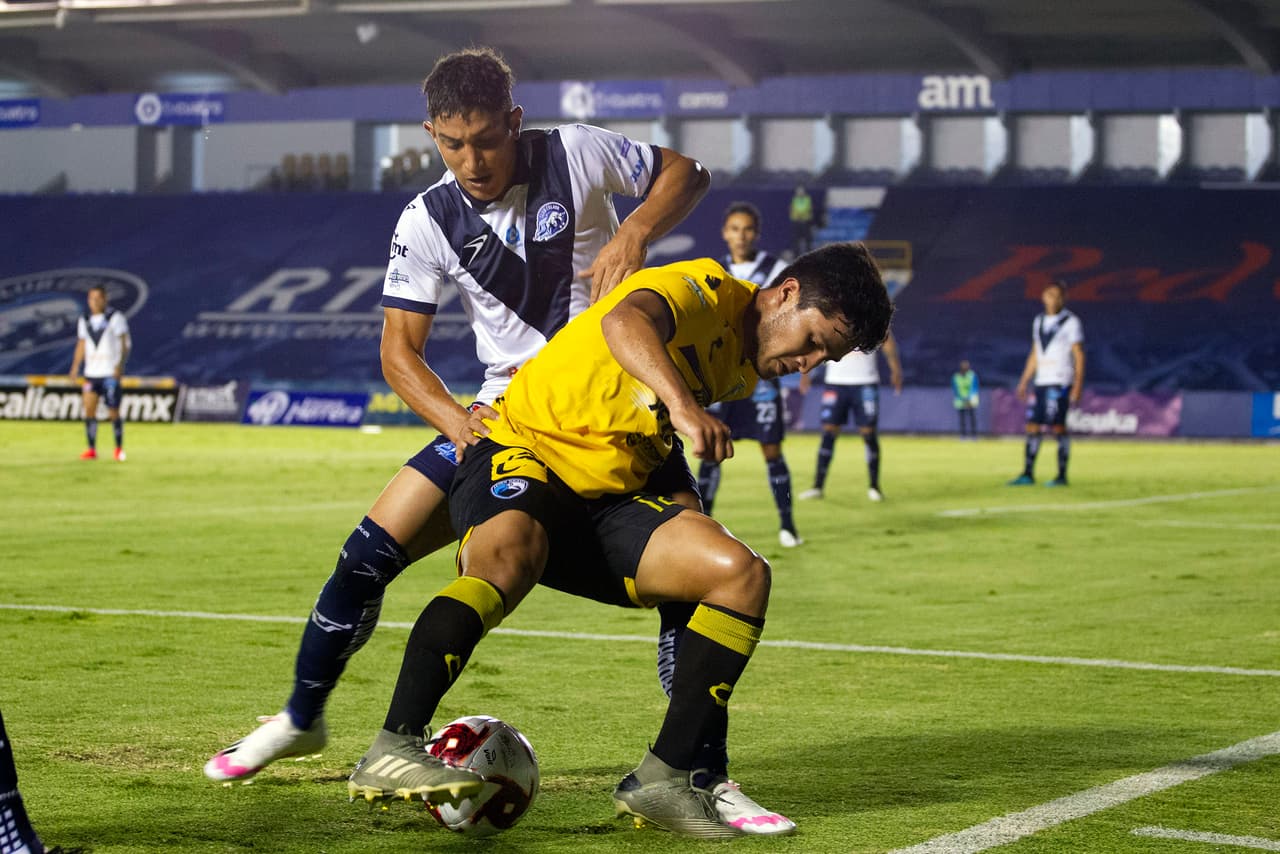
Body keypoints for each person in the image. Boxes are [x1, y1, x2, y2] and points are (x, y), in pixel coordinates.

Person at [204, 44, 793, 822]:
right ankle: (300, 718)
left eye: (485, 139)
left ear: (514, 122)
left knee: (704, 577)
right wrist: (457, 420)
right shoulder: (426, 218)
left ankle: (700, 773)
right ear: (430, 135)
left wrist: (635, 231)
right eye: (451, 144)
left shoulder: (577, 153)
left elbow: (686, 172)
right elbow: (397, 353)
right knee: (365, 558)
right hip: (508, 416)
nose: (471, 160)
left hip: (618, 409)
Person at [346, 244, 893, 837]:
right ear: (785, 293)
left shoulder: (741, 364)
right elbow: (622, 322)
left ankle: (669, 777)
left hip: (603, 498)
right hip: (522, 450)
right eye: (813, 340)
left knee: (738, 572)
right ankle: (394, 747)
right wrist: (686, 409)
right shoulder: (706, 289)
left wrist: (687, 514)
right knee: (508, 558)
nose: (808, 363)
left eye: (825, 358)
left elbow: (643, 424)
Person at [695, 202, 801, 547]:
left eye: (748, 229)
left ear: (757, 233)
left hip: (760, 379)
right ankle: (701, 528)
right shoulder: (712, 271)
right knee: (711, 451)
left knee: (771, 449)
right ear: (725, 233)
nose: (741, 236)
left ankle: (788, 526)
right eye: (735, 229)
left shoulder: (778, 271)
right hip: (719, 378)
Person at [797, 329, 902, 502]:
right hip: (836, 382)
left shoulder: (871, 315)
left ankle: (874, 487)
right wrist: (807, 373)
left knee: (868, 434)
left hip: (865, 381)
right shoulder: (832, 316)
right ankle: (817, 486)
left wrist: (896, 370)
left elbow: (887, 340)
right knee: (829, 432)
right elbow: (817, 344)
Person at [1008, 280, 1084, 486]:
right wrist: (1024, 381)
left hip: (1060, 382)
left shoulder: (1071, 321)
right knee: (1033, 426)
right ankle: (1027, 473)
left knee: (1058, 427)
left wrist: (1077, 385)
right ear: (1043, 296)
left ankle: (1061, 476)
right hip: (1041, 381)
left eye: (1057, 295)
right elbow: (1035, 353)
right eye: (1049, 294)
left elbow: (1078, 355)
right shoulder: (1039, 321)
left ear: (1063, 298)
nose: (1053, 298)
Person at [68, 284, 130, 462]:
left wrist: (119, 366)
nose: (93, 302)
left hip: (109, 373)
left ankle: (118, 449)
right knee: (88, 410)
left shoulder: (115, 318)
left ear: (104, 299)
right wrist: (75, 366)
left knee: (113, 412)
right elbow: (81, 344)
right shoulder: (84, 320)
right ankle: (91, 449)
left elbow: (124, 344)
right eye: (90, 299)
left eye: (97, 298)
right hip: (91, 373)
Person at [952, 359, 979, 439]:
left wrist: (969, 397)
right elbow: (955, 388)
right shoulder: (956, 376)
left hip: (971, 400)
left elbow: (975, 387)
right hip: (960, 401)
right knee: (962, 419)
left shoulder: (972, 375)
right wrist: (962, 397)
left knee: (972, 418)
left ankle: (974, 435)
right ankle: (963, 435)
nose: (965, 368)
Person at [788, 185, 814, 256]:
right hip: (796, 222)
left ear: (804, 192)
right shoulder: (794, 200)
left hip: (805, 222)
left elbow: (809, 210)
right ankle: (796, 255)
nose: (800, 192)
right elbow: (792, 210)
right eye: (798, 191)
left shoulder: (807, 199)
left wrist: (802, 216)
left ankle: (809, 255)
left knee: (807, 240)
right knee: (796, 240)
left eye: (801, 191)